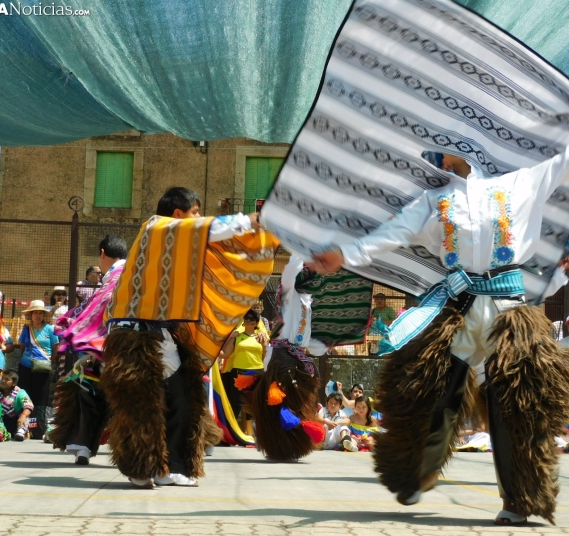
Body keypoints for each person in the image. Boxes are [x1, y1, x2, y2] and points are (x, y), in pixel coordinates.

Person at [309, 90, 569, 525]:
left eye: (448, 142)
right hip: (457, 310)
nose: (443, 153)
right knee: (432, 394)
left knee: (516, 404)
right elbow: (389, 233)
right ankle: (413, 475)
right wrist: (345, 254)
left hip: (511, 314)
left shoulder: (522, 183)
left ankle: (519, 499)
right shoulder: (433, 201)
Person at [101, 186, 276, 488]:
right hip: (134, 337)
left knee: (182, 399)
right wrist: (252, 219)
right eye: (195, 211)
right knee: (142, 407)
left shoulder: (178, 243)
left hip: (162, 335)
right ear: (179, 214)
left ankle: (169, 466)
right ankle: (141, 466)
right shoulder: (157, 227)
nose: (199, 217)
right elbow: (211, 228)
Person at [249, 254, 370, 461]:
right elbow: (288, 275)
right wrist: (301, 250)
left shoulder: (308, 302)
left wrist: (324, 345)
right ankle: (277, 444)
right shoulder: (289, 294)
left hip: (297, 357)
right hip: (281, 356)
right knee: (280, 404)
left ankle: (290, 445)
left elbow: (309, 343)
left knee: (299, 406)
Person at [51, 235, 127, 465]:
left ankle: (83, 446)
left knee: (87, 388)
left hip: (113, 346)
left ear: (102, 253)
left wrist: (70, 320)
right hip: (141, 342)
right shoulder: (136, 269)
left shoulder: (114, 275)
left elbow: (96, 307)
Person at [17, 300, 58, 439]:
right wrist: (28, 360)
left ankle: (39, 429)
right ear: (31, 314)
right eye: (35, 312)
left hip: (43, 369)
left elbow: (55, 350)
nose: (37, 315)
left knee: (41, 398)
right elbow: (22, 347)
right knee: (26, 396)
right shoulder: (26, 329)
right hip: (26, 367)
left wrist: (46, 362)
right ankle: (23, 427)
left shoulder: (50, 329)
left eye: (40, 313)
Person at [220, 309, 267, 419]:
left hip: (256, 374)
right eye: (246, 318)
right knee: (235, 405)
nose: (248, 320)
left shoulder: (260, 337)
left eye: (251, 319)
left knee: (252, 405)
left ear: (256, 323)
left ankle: (250, 434)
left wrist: (264, 339)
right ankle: (234, 433)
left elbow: (265, 355)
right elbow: (223, 353)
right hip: (239, 374)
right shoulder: (236, 337)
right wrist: (229, 338)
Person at [0, 369, 34, 441]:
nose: (3, 381)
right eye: (2, 378)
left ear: (14, 383)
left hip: (14, 422)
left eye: (7, 379)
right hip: (0, 420)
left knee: (24, 415)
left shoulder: (20, 392)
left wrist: (23, 416)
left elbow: (29, 405)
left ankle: (20, 432)